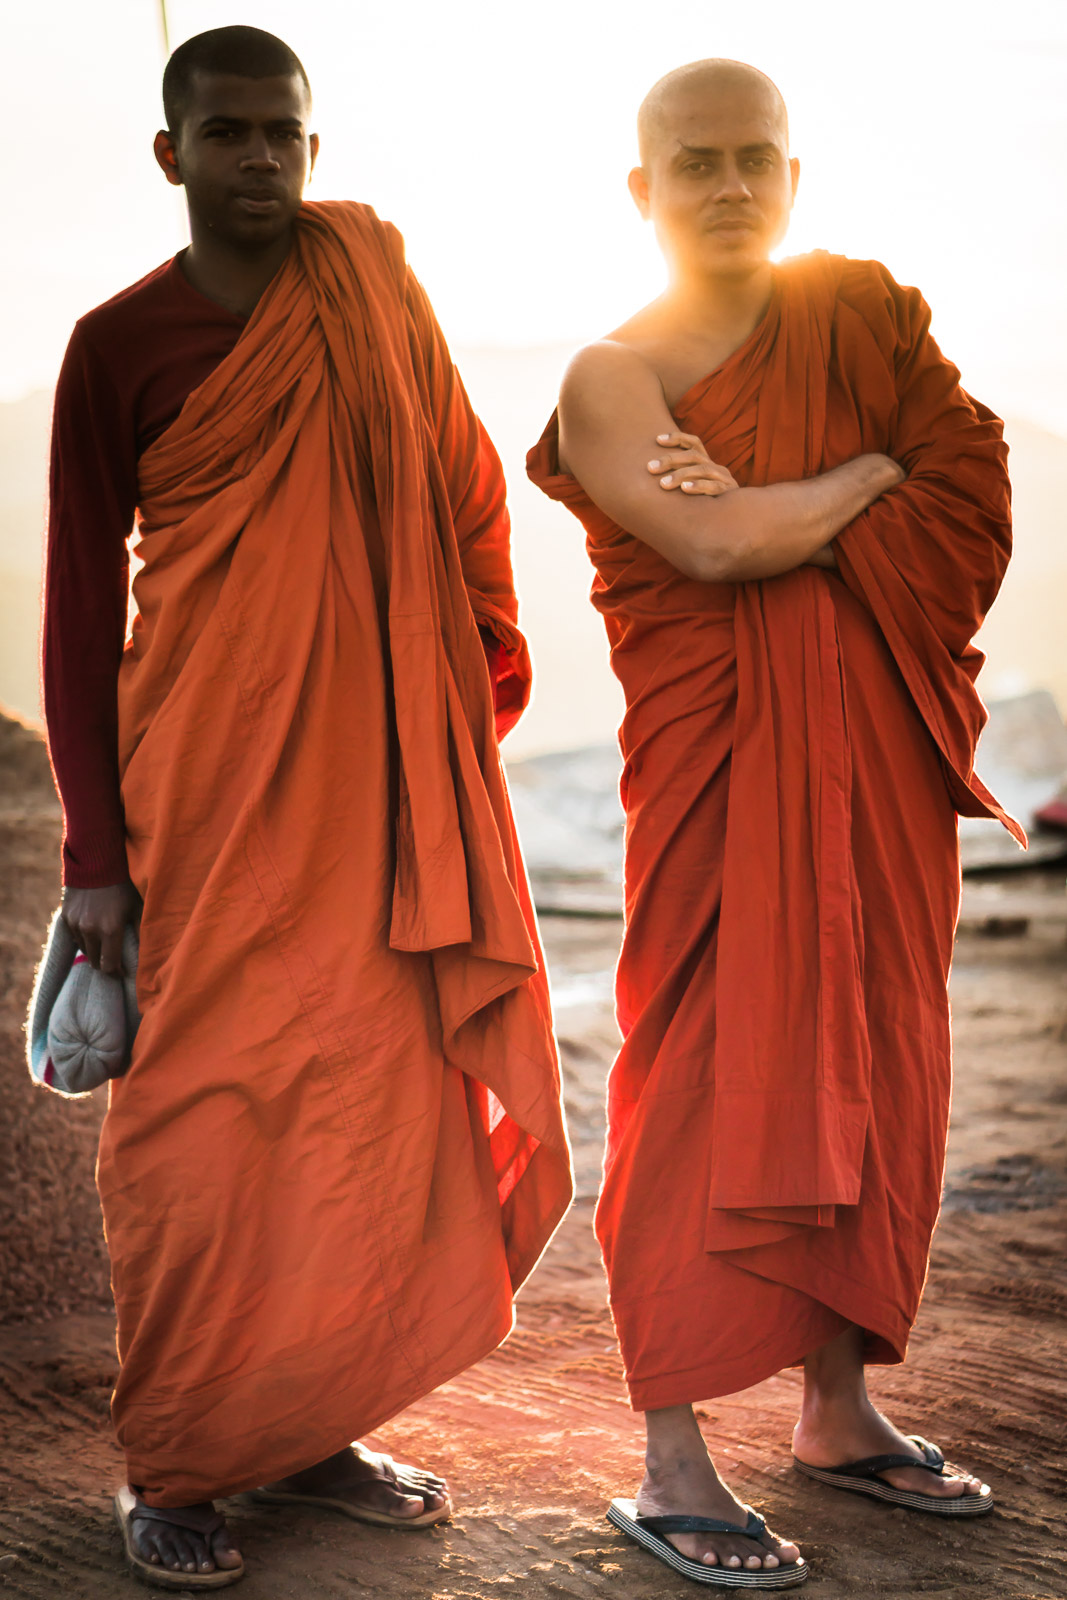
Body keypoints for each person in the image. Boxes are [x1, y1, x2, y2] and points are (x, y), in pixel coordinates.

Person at [45, 25, 572, 1589]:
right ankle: (181, 1457)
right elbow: (82, 617)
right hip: (199, 790)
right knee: (200, 1126)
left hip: (375, 792)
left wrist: (452, 714)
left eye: (284, 133)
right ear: (171, 156)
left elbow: (465, 494)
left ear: (313, 147)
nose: (262, 159)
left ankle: (318, 1420)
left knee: (362, 1101)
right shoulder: (115, 345)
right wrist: (95, 860)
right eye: (228, 135)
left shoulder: (371, 289)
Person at [528, 57, 1017, 1589]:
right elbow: (714, 543)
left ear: (794, 180)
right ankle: (673, 1457)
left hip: (869, 771)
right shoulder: (614, 377)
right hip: (720, 780)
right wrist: (859, 481)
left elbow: (972, 487)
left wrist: (837, 477)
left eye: (758, 160)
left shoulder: (864, 320)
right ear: (643, 191)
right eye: (698, 163)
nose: (731, 186)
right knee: (695, 1072)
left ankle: (836, 1408)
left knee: (876, 1055)